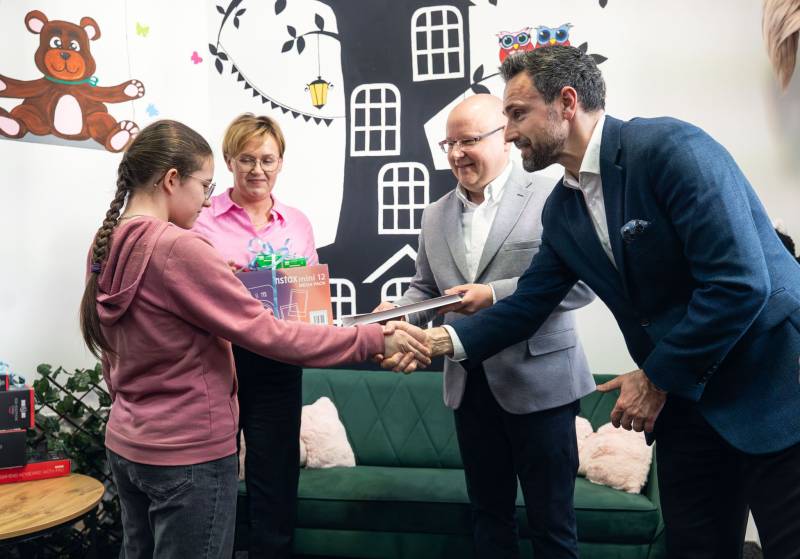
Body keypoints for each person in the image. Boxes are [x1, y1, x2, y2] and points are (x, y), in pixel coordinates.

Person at [403, 46, 800, 558]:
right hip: (686, 405)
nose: (509, 132)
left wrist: (655, 378)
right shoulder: (562, 210)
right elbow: (528, 304)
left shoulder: (669, 149)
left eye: (517, 114)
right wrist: (439, 341)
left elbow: (739, 285)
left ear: (567, 103)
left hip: (772, 386)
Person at [79, 119, 430, 559]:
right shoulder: (181, 247)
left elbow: (111, 352)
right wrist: (372, 339)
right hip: (187, 448)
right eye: (204, 185)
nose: (206, 198)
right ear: (171, 180)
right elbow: (267, 332)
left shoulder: (107, 242)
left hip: (129, 442)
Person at [374, 94, 594, 558]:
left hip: (542, 387)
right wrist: (395, 315)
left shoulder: (555, 196)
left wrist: (493, 294)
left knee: (553, 525)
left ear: (506, 137)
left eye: (468, 141)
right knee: (489, 519)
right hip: (470, 387)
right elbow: (425, 290)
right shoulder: (434, 214)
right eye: (448, 144)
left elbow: (581, 285)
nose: (456, 154)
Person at [192, 113, 317, 558]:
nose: (257, 170)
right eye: (246, 159)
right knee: (214, 472)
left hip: (280, 360)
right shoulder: (201, 218)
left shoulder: (297, 223)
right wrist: (216, 276)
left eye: (267, 159)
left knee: (276, 477)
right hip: (216, 360)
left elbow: (308, 297)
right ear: (229, 161)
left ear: (280, 162)